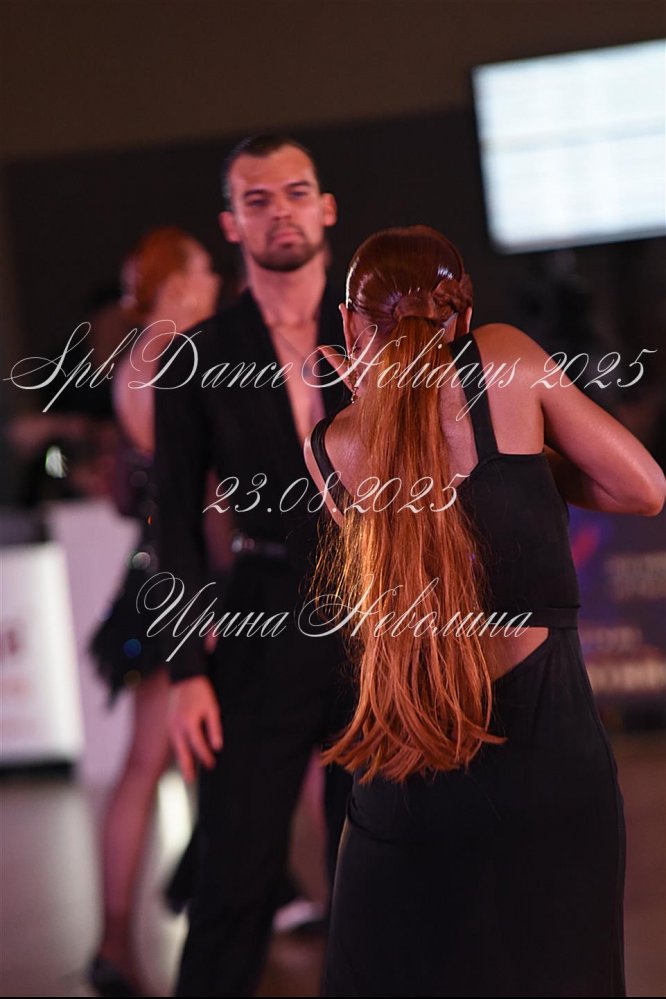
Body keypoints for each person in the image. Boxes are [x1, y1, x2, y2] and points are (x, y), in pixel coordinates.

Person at [304, 225, 666, 997]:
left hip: (412, 772)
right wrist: (524, 454)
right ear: (462, 317)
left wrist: (384, 405)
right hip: (549, 768)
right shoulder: (506, 357)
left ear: (348, 327)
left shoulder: (330, 445)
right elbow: (643, 487)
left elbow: (409, 547)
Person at [152, 136, 352, 997]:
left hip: (379, 612)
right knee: (232, 873)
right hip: (263, 614)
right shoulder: (197, 354)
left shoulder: (379, 333)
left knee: (390, 863)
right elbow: (172, 519)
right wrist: (185, 671)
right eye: (257, 199)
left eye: (296, 192)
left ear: (326, 208)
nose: (281, 213)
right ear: (231, 223)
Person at [89, 227, 221, 997]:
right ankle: (125, 928)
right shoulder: (174, 358)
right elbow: (195, 494)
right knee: (154, 763)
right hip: (183, 580)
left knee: (155, 761)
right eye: (204, 268)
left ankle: (128, 927)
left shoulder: (139, 359)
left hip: (159, 577)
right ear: (175, 284)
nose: (215, 279)